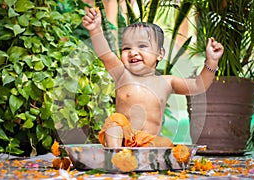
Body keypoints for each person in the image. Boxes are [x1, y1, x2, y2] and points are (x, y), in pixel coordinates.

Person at [82, 7, 224, 148]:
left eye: (142, 46)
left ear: (160, 54)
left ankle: (143, 158)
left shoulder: (167, 82)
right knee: (115, 122)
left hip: (148, 143)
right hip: (123, 141)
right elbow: (105, 54)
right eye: (126, 48)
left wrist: (211, 61)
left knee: (166, 144)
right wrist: (95, 30)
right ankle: (115, 156)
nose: (133, 52)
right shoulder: (122, 74)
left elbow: (199, 86)